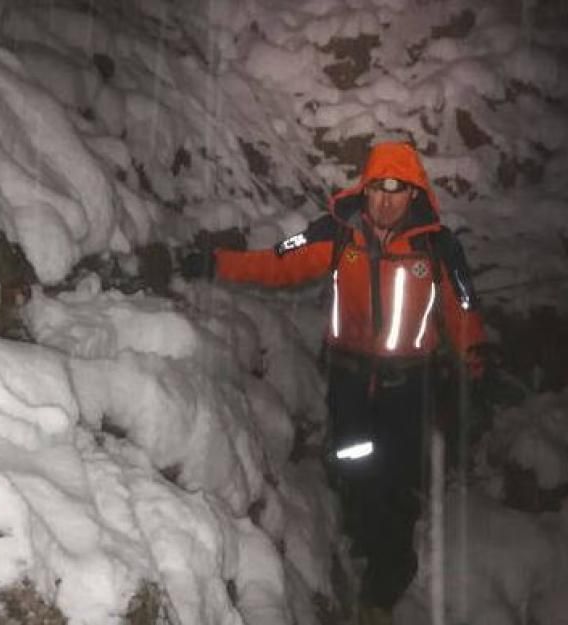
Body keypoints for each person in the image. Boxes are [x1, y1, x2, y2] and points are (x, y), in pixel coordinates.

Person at [184, 141, 487, 624]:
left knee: (397, 480)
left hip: (411, 385)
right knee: (354, 462)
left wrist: (473, 353)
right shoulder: (336, 234)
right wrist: (218, 263)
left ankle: (386, 581)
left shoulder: (438, 247)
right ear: (364, 191)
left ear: (414, 195)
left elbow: (463, 307)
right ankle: (364, 536)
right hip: (350, 379)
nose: (386, 202)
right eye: (377, 191)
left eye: (398, 192)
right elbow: (278, 262)